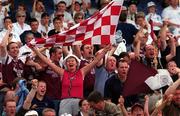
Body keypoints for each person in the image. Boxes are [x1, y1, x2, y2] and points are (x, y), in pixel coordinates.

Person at [31, 44, 110, 115]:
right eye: (68, 61)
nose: (70, 62)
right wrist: (36, 50)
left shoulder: (82, 72)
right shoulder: (63, 73)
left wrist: (105, 50)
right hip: (65, 102)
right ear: (65, 64)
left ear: (76, 63)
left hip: (79, 102)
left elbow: (95, 61)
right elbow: (48, 62)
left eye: (72, 61)